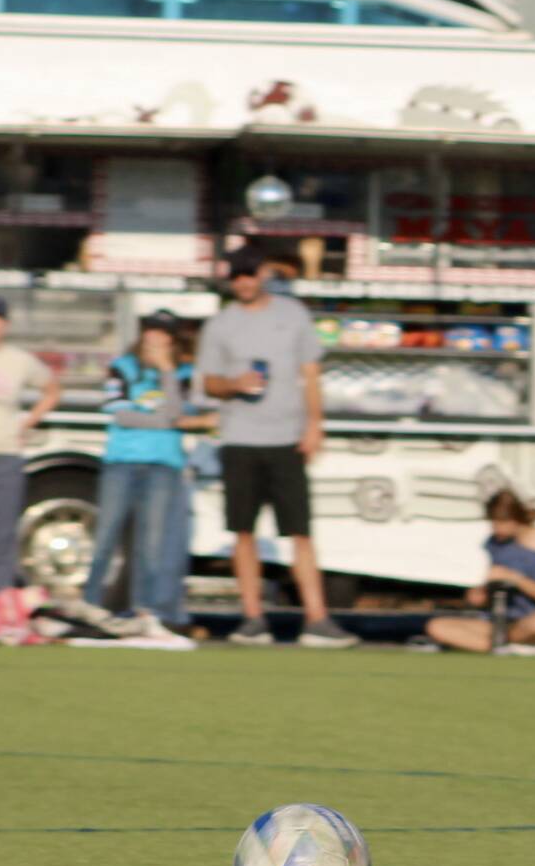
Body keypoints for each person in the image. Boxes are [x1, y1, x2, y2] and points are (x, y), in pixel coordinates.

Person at [197, 248, 356, 648]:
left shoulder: (292, 314)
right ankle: (253, 619)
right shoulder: (220, 325)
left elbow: (310, 373)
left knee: (300, 532)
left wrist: (315, 424)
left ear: (263, 274)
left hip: (286, 438)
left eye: (250, 274)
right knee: (243, 533)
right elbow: (209, 383)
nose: (244, 282)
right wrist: (234, 384)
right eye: (236, 276)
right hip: (240, 439)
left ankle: (317, 620)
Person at [82, 311, 214, 626]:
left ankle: (145, 611)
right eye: (150, 331)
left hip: (164, 464)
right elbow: (121, 415)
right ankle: (90, 603)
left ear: (171, 340)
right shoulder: (122, 367)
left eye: (162, 334)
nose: (155, 338)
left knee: (152, 543)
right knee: (106, 534)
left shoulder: (182, 372)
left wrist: (167, 371)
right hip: (122, 462)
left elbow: (180, 412)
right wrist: (164, 421)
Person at [423, 489, 535, 652]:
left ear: (516, 520)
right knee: (436, 627)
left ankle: (503, 645)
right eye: (493, 523)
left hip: (527, 622)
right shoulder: (494, 543)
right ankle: (505, 647)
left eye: (501, 523)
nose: (496, 529)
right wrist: (481, 594)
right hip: (496, 622)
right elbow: (490, 588)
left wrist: (515, 579)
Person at [0, 294, 59, 592]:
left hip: (6, 453)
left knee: (2, 533)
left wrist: (28, 422)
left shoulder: (19, 360)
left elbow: (52, 389)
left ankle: (1, 606)